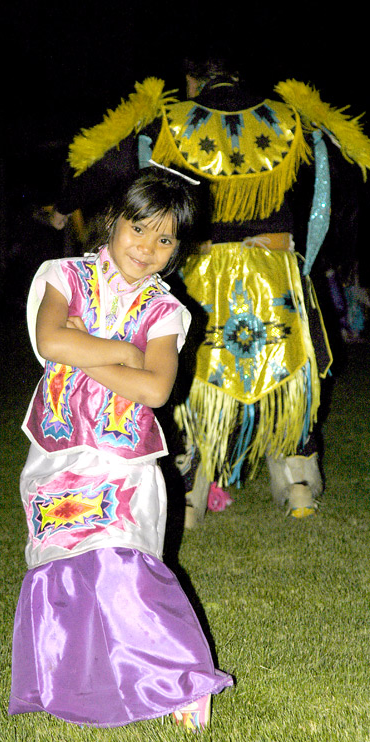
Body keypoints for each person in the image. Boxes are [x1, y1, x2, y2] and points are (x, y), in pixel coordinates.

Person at [47, 52, 370, 525]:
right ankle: (298, 481)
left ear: (192, 80)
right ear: (241, 75)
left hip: (203, 274)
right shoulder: (288, 118)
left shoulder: (171, 120)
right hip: (273, 269)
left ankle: (192, 491)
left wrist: (64, 207)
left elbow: (110, 165)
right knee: (287, 371)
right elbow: (342, 170)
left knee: (197, 376)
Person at [8, 169, 233, 731]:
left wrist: (91, 353)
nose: (148, 248)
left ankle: (183, 682)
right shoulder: (63, 276)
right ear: (112, 221)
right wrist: (124, 355)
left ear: (179, 249)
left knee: (125, 559)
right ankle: (74, 679)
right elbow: (50, 340)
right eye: (139, 229)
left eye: (165, 240)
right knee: (62, 562)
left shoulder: (165, 311)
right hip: (56, 451)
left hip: (123, 458)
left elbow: (156, 389)